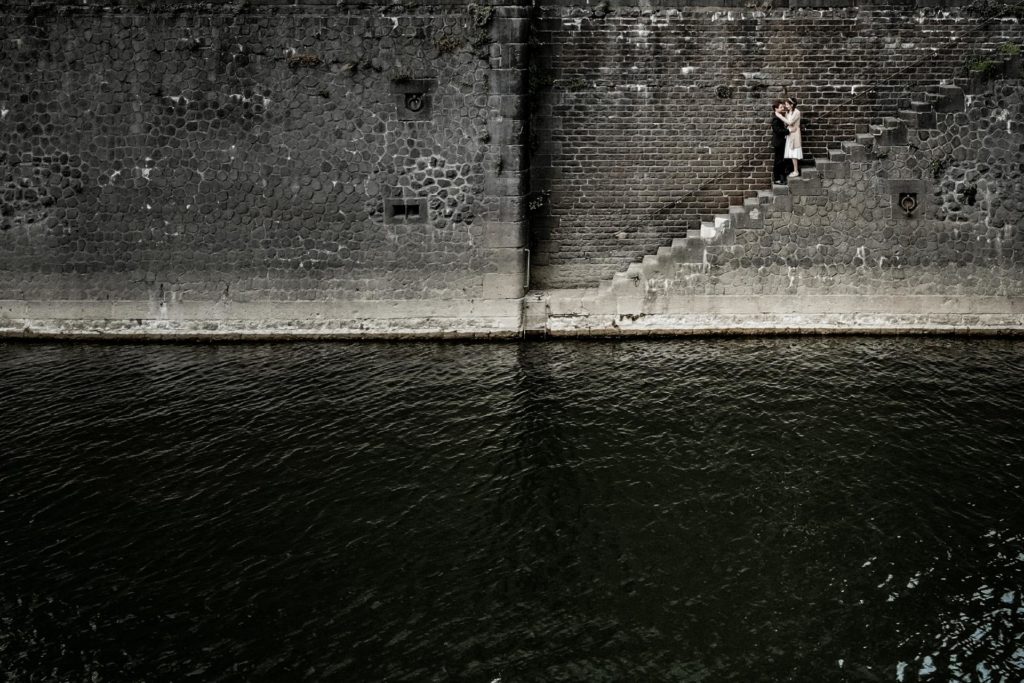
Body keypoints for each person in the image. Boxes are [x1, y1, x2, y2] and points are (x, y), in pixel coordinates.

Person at [778, 97, 803, 177]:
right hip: (789, 133)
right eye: (785, 105)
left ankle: (796, 171)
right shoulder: (788, 112)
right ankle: (794, 170)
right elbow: (786, 124)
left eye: (787, 104)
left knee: (794, 152)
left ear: (792, 105)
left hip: (795, 134)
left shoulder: (797, 112)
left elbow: (790, 122)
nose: (786, 106)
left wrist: (779, 116)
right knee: (791, 153)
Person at [771, 100, 791, 184]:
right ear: (776, 109)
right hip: (778, 143)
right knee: (778, 161)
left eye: (783, 106)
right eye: (781, 107)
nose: (783, 108)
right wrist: (787, 131)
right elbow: (778, 130)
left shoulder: (779, 116)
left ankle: (781, 177)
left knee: (781, 160)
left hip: (781, 142)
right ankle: (777, 179)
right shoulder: (775, 119)